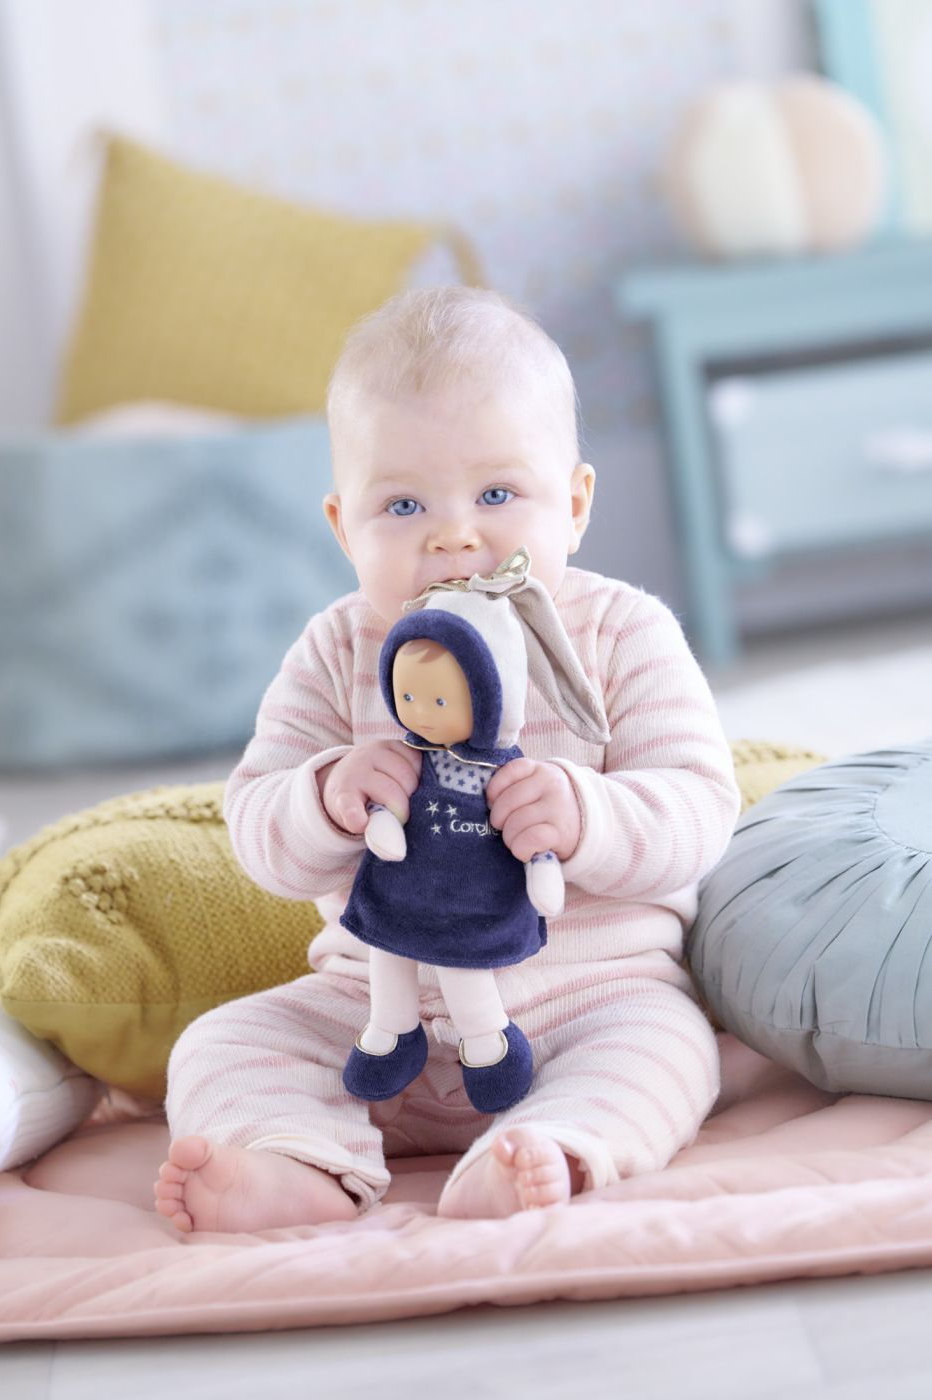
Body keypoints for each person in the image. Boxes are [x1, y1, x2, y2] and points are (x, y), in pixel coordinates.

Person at [154, 286, 741, 1232]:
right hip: (376, 1012)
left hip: (586, 1000)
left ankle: (544, 1150)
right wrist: (324, 798)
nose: (454, 534)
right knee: (221, 1042)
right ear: (343, 527)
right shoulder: (337, 648)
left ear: (574, 505)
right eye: (403, 504)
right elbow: (257, 826)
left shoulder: (621, 632)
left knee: (666, 1050)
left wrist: (587, 816)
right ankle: (295, 1162)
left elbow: (700, 809)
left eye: (497, 494)